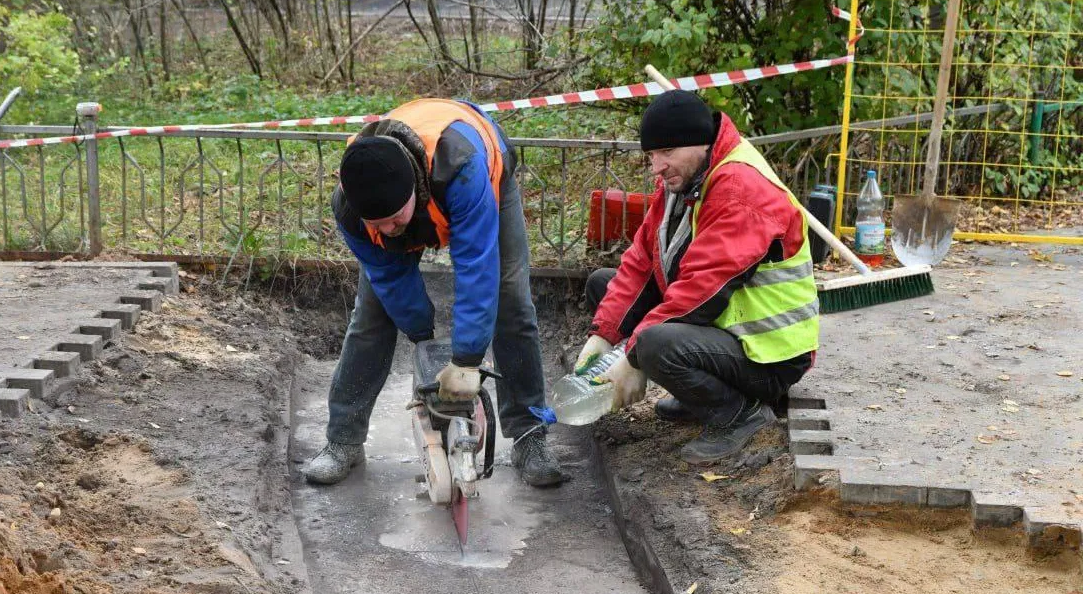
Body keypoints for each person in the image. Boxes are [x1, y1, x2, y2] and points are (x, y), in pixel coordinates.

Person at [303, 98, 565, 487]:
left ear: (412, 191)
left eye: (395, 219)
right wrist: (424, 341)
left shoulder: (463, 170)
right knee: (373, 314)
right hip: (418, 188)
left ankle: (529, 436)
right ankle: (342, 439)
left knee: (510, 300)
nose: (390, 229)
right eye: (379, 224)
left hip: (481, 168)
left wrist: (466, 359)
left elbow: (477, 266)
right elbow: (390, 278)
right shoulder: (350, 206)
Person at [575, 90, 819, 464]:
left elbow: (701, 292)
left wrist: (633, 355)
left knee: (654, 342)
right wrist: (602, 336)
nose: (656, 166)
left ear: (698, 143)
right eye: (651, 155)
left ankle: (740, 416)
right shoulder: (687, 179)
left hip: (769, 356)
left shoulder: (738, 189)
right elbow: (641, 262)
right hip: (730, 335)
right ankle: (698, 395)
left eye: (666, 153)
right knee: (604, 284)